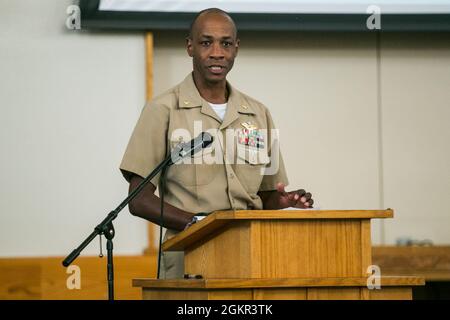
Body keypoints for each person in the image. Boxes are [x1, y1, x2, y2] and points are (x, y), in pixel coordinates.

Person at [119, 8, 314, 279]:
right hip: (189, 252)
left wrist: (283, 200)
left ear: (236, 48)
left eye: (225, 43)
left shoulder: (258, 113)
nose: (217, 53)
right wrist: (198, 223)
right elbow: (138, 200)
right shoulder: (163, 110)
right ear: (190, 46)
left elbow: (267, 196)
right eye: (206, 42)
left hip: (252, 254)